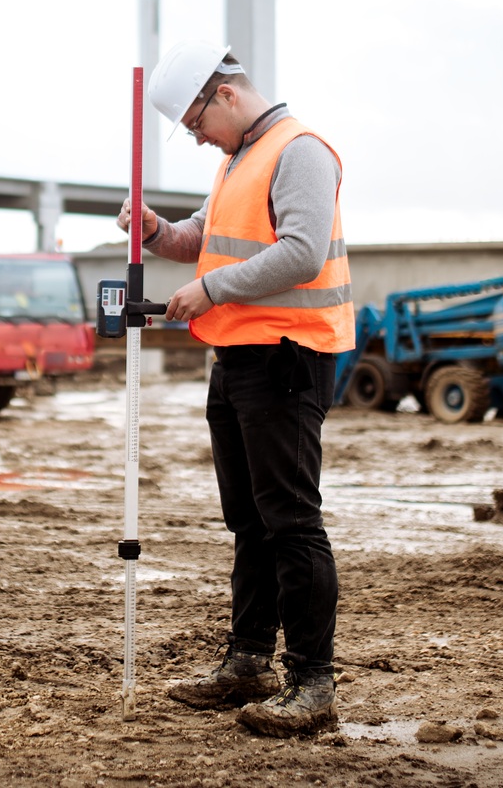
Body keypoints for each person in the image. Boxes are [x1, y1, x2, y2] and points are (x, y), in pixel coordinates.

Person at [117, 42, 354, 737]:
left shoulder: (299, 149)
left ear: (223, 94)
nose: (194, 137)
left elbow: (302, 252)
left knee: (291, 521)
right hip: (239, 356)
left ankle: (313, 679)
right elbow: (207, 238)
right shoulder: (237, 159)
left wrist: (211, 289)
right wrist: (159, 232)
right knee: (248, 521)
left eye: (194, 121)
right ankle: (247, 661)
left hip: (287, 353)